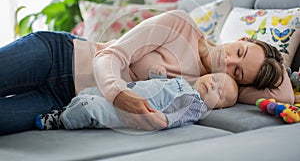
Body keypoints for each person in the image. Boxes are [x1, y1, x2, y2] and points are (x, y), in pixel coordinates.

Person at [0, 10, 294, 135]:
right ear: (240, 39)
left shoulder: (205, 91)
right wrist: (119, 95)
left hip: (60, 103)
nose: (228, 62)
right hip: (58, 55)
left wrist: (278, 69)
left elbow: (284, 96)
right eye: (238, 52)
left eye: (239, 73)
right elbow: (110, 56)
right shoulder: (181, 25)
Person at [35, 65, 238, 130]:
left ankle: (59, 121)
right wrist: (158, 76)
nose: (212, 84)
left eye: (218, 92)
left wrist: (163, 120)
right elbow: (158, 87)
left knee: (90, 106)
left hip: (129, 112)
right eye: (214, 79)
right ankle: (64, 111)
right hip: (127, 91)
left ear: (217, 107)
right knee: (90, 93)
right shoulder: (184, 82)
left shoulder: (196, 105)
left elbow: (179, 117)